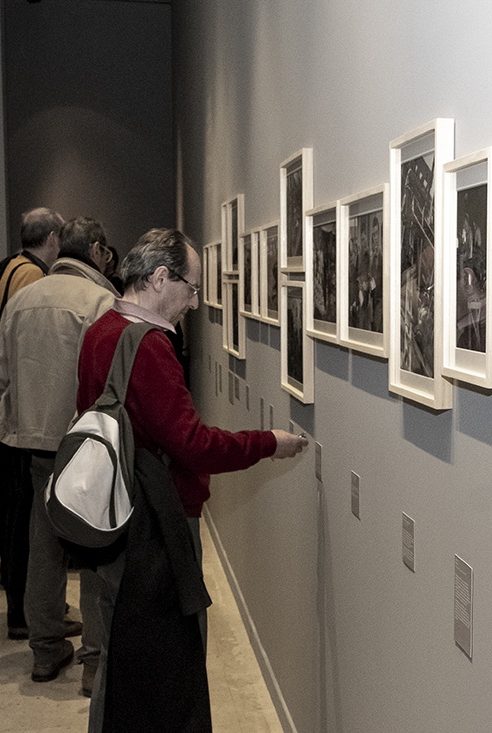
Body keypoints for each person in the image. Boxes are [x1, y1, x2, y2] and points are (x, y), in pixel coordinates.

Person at [76, 228, 307, 733]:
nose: (197, 302)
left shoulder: (101, 330)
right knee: (167, 668)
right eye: (193, 287)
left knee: (121, 658)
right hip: (151, 528)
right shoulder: (149, 347)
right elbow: (193, 445)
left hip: (110, 518)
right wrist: (267, 442)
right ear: (160, 279)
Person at [0, 216, 118, 686]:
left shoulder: (22, 298)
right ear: (99, 252)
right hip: (86, 444)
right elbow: (111, 382)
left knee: (43, 548)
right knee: (95, 549)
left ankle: (44, 650)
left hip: (35, 445)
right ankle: (96, 662)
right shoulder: (103, 301)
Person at [0, 207, 64, 638]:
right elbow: (26, 352)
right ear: (53, 239)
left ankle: (22, 608)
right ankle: (25, 612)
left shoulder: (10, 268)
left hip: (8, 414)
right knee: (25, 516)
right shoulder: (30, 276)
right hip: (22, 421)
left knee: (17, 512)